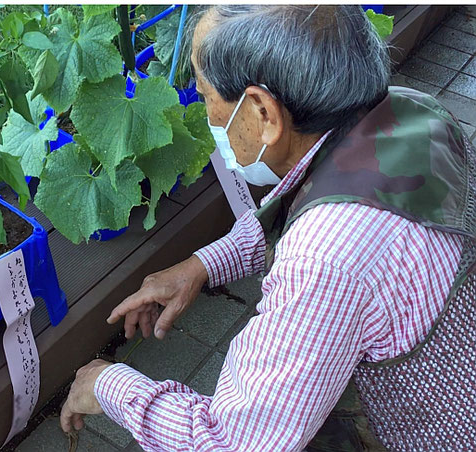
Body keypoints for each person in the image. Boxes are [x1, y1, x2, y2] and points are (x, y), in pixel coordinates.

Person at [60, 5, 476, 452]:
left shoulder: (325, 262)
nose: (207, 117)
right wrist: (202, 265)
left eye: (205, 98)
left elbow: (234, 443)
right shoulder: (410, 111)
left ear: (262, 112)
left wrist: (109, 384)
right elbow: (319, 199)